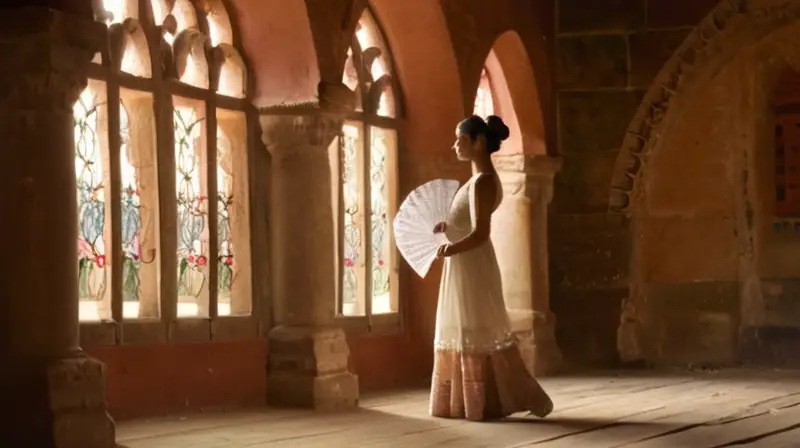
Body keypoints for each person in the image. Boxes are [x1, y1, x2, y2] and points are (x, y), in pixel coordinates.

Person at [429, 114, 553, 421]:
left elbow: (481, 233)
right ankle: (471, 401)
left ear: (478, 142)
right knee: (467, 327)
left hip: (472, 264)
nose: (455, 144)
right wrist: (449, 226)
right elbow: (469, 224)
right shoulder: (476, 181)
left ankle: (491, 400)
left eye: (460, 139)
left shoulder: (483, 182)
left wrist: (450, 247)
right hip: (465, 263)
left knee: (475, 328)